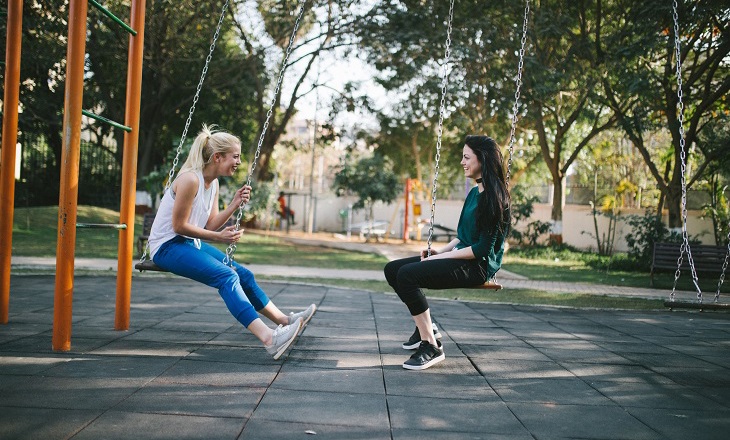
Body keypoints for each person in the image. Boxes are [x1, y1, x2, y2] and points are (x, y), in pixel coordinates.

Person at [147, 124, 316, 360]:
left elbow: (211, 224)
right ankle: (269, 339)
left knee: (243, 274)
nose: (238, 162)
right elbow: (179, 226)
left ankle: (285, 320)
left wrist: (234, 204)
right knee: (227, 276)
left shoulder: (213, 183)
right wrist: (219, 238)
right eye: (235, 156)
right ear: (217, 157)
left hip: (187, 244)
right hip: (167, 246)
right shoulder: (189, 180)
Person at [384, 135, 510, 370]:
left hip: (478, 266)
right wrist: (439, 250)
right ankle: (427, 326)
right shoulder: (474, 193)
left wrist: (442, 257)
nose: (462, 162)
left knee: (407, 276)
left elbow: (482, 249)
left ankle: (431, 345)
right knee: (393, 270)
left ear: (482, 159)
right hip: (462, 255)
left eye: (466, 157)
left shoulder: (495, 198)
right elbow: (462, 236)